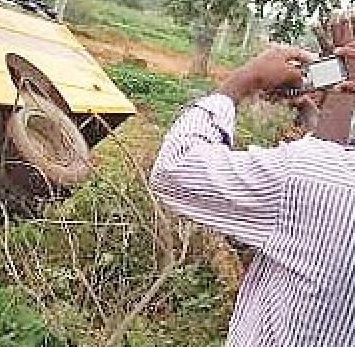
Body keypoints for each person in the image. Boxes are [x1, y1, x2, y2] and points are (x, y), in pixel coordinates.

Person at [150, 44, 355, 346]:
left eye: (346, 55)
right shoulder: (323, 175)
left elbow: (174, 168)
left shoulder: (310, 175)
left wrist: (245, 80)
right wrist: (317, 114)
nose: (337, 53)